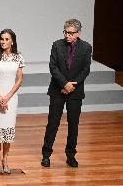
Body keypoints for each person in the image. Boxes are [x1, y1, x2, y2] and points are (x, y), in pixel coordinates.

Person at [41, 19, 92, 168]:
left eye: (70, 33)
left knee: (73, 125)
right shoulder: (57, 45)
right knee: (53, 123)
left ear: (78, 33)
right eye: (65, 32)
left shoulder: (86, 48)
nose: (67, 35)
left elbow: (85, 69)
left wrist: (71, 85)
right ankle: (46, 155)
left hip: (75, 92)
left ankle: (71, 156)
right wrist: (64, 84)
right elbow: (53, 66)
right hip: (58, 90)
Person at [0, 29, 25, 174]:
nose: (3, 42)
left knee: (8, 129)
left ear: (12, 41)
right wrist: (0, 98)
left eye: (7, 39)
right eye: (2, 39)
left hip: (12, 98)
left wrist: (7, 97)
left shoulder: (18, 57)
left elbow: (19, 80)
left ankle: (5, 160)